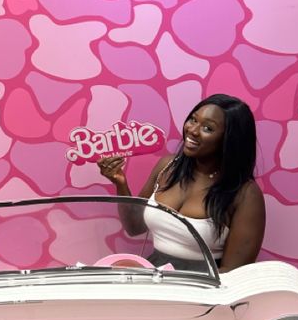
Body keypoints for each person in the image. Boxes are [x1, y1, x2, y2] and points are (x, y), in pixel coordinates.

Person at [97, 94, 265, 272]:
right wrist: (120, 183)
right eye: (193, 119)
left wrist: (178, 289)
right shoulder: (167, 166)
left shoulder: (246, 194)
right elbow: (134, 227)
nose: (192, 130)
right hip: (154, 276)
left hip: (202, 288)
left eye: (207, 128)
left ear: (230, 140)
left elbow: (234, 272)